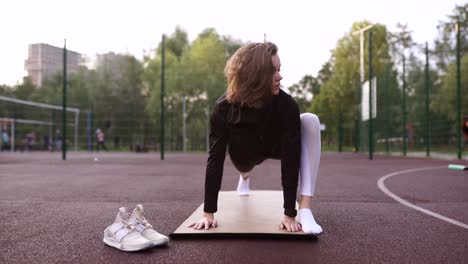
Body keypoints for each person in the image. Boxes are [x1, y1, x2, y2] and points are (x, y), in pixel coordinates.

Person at [189, 42, 323, 234]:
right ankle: (244, 177)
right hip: (243, 151)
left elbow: (291, 160)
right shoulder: (224, 109)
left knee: (310, 121)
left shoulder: (287, 106)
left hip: (275, 145)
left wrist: (290, 213)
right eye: (273, 71)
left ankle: (306, 208)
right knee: (244, 168)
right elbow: (215, 160)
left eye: (280, 69)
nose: (280, 76)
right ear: (255, 75)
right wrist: (208, 213)